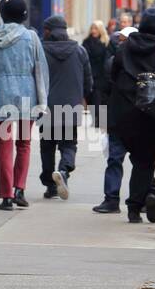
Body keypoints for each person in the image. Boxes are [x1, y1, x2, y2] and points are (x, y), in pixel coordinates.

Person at [0, 0, 48, 211]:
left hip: (2, 95)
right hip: (28, 96)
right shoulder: (32, 38)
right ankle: (20, 189)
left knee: (4, 146)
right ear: (24, 15)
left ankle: (6, 196)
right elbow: (40, 70)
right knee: (24, 144)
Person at [111, 7, 155, 224]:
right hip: (154, 113)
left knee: (138, 159)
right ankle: (138, 202)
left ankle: (146, 194)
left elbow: (113, 75)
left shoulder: (125, 48)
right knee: (146, 160)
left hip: (126, 112)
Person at [39, 15, 92, 200]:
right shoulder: (80, 51)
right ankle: (64, 170)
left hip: (48, 107)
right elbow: (88, 82)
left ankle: (50, 186)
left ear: (48, 31)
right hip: (71, 106)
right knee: (68, 145)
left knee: (47, 146)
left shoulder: (41, 51)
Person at [92, 26, 141, 214]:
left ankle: (117, 199)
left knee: (122, 161)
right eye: (119, 40)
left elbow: (105, 91)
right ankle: (138, 199)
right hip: (129, 119)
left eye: (123, 40)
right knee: (137, 161)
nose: (120, 43)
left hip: (122, 119)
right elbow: (104, 93)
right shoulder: (121, 62)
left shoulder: (113, 62)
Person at [82, 21, 109, 127]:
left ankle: (99, 121)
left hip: (101, 75)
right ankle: (95, 119)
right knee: (89, 98)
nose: (93, 31)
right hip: (89, 73)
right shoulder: (86, 42)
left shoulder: (105, 42)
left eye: (96, 28)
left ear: (100, 30)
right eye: (92, 28)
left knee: (98, 99)